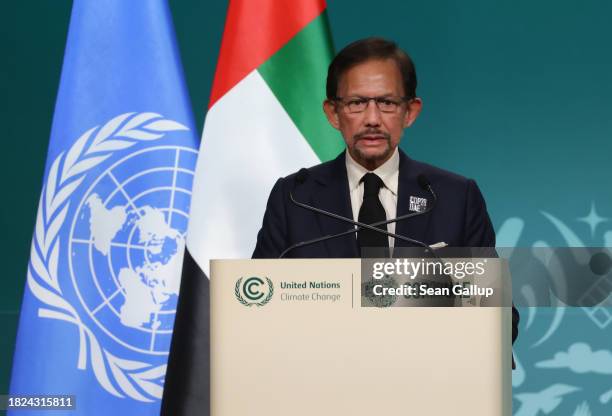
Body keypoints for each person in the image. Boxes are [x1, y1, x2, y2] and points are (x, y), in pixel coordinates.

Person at [252, 37, 518, 346]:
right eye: (356, 103)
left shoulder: (455, 197)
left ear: (410, 111)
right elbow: (259, 307)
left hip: (428, 384)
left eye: (387, 103)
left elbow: (500, 317)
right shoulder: (295, 197)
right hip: (321, 383)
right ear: (333, 113)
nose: (373, 119)